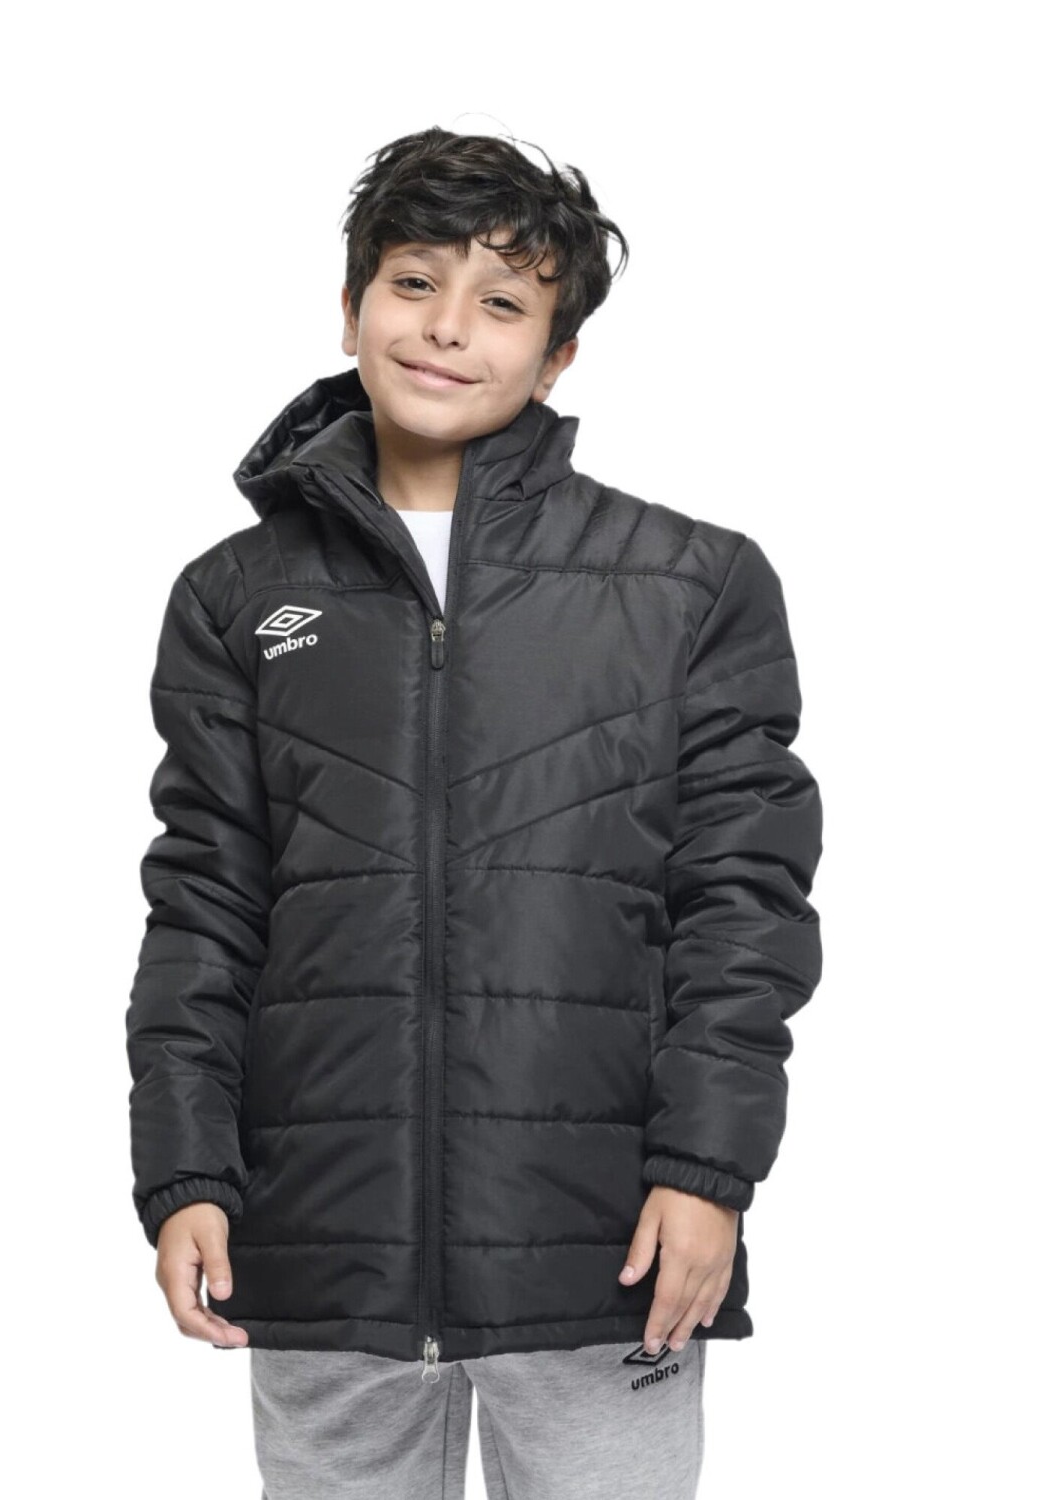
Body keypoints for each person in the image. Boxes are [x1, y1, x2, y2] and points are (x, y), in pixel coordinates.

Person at [125, 125, 825, 1499]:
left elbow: (744, 912)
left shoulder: (690, 583)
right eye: (413, 283)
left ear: (558, 355)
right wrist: (185, 1170)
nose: (448, 328)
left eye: (502, 302)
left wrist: (708, 1172)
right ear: (350, 308)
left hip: (605, 1246)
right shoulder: (235, 596)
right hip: (322, 1246)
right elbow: (203, 905)